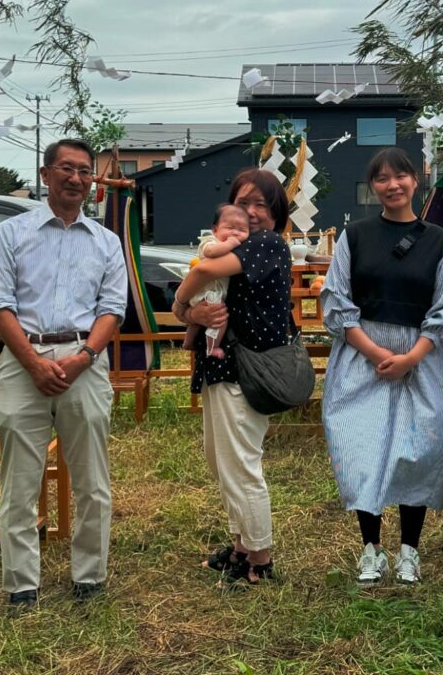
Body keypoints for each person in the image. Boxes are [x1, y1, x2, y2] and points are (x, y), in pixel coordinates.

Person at [0, 138, 127, 610]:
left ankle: (90, 576)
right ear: (45, 175)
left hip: (84, 359)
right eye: (67, 168)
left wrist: (83, 357)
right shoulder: (11, 233)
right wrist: (32, 362)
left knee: (92, 478)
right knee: (20, 479)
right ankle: (21, 585)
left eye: (85, 171)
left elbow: (112, 309)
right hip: (24, 358)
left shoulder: (106, 242)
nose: (77, 178)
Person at [321, 147, 443, 586]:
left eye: (400, 176)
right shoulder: (355, 235)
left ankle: (410, 552)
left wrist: (413, 356)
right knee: (364, 448)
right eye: (382, 178)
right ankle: (371, 549)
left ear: (416, 180)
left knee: (415, 451)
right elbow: (337, 300)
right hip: (363, 357)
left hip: (421, 357)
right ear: (373, 186)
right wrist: (378, 353)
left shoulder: (440, 241)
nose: (392, 185)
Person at [171, 168, 292, 585]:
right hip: (221, 365)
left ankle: (261, 558)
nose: (253, 212)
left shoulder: (267, 244)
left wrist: (180, 303)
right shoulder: (238, 248)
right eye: (244, 203)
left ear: (277, 215)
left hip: (247, 368)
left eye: (263, 205)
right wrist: (190, 312)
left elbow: (201, 272)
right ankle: (242, 545)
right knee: (220, 459)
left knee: (240, 465)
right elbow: (205, 291)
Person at [185, 204, 250, 359]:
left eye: (242, 230)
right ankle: (212, 347)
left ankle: (188, 341)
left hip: (207, 293)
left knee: (196, 322)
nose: (235, 232)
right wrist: (231, 243)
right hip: (208, 293)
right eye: (230, 227)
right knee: (219, 321)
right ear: (215, 230)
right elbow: (211, 252)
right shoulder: (209, 242)